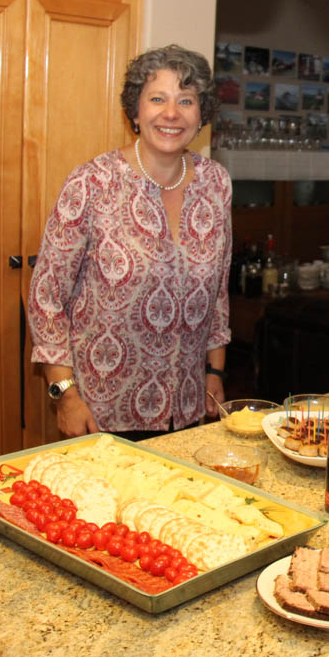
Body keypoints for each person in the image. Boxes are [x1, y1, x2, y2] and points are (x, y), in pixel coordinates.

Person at [27, 45, 232, 440]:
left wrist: (214, 372)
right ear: (135, 111)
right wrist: (65, 397)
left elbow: (217, 292)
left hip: (186, 412)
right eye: (157, 99)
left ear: (201, 115)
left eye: (186, 101)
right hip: (101, 413)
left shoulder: (216, 182)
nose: (171, 114)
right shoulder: (92, 183)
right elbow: (46, 298)